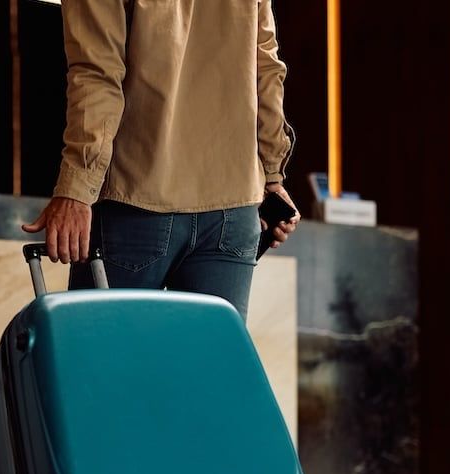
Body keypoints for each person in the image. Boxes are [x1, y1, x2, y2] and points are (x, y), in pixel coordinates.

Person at [21, 0, 300, 320]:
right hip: (232, 211)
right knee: (208, 368)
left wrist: (76, 188)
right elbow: (266, 68)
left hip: (136, 202)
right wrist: (272, 175)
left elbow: (96, 75)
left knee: (105, 365)